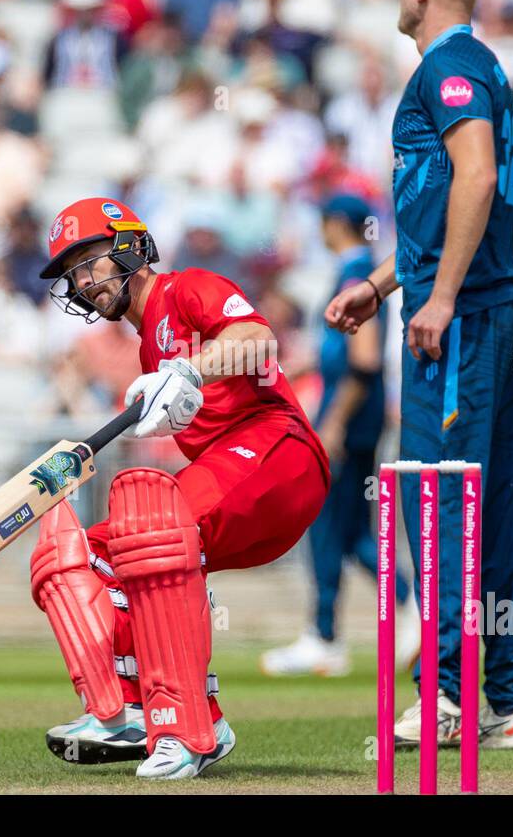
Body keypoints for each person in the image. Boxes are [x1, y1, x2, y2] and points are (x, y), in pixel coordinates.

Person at [325, 0, 513, 752]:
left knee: (439, 501)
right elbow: (452, 196)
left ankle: (445, 695)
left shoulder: (447, 69)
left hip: (464, 320)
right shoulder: (479, 65)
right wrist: (383, 285)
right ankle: (509, 700)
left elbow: (476, 176)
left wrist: (438, 297)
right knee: (496, 506)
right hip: (489, 313)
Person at [31, 196, 329, 779]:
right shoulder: (146, 343)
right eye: (73, 274)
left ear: (129, 247)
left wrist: (192, 368)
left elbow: (257, 338)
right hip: (238, 475)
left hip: (278, 452)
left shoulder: (188, 287)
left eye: (89, 262)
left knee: (154, 528)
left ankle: (182, 726)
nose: (83, 282)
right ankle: (133, 711)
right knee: (90, 553)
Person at [262, 194, 418, 678]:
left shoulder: (355, 274)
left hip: (347, 416)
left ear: (335, 224)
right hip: (355, 414)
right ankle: (405, 606)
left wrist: (334, 422)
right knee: (349, 530)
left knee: (327, 522)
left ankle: (327, 633)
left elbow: (364, 360)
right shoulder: (357, 270)